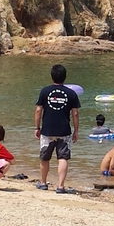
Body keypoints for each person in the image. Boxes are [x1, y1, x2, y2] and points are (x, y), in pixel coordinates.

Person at [35, 64, 81, 193]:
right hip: (64, 130)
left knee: (45, 157)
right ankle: (60, 186)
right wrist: (76, 130)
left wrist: (37, 127)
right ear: (65, 77)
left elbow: (38, 110)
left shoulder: (45, 91)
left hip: (47, 130)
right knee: (63, 158)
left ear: (52, 77)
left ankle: (43, 183)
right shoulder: (71, 93)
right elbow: (75, 113)